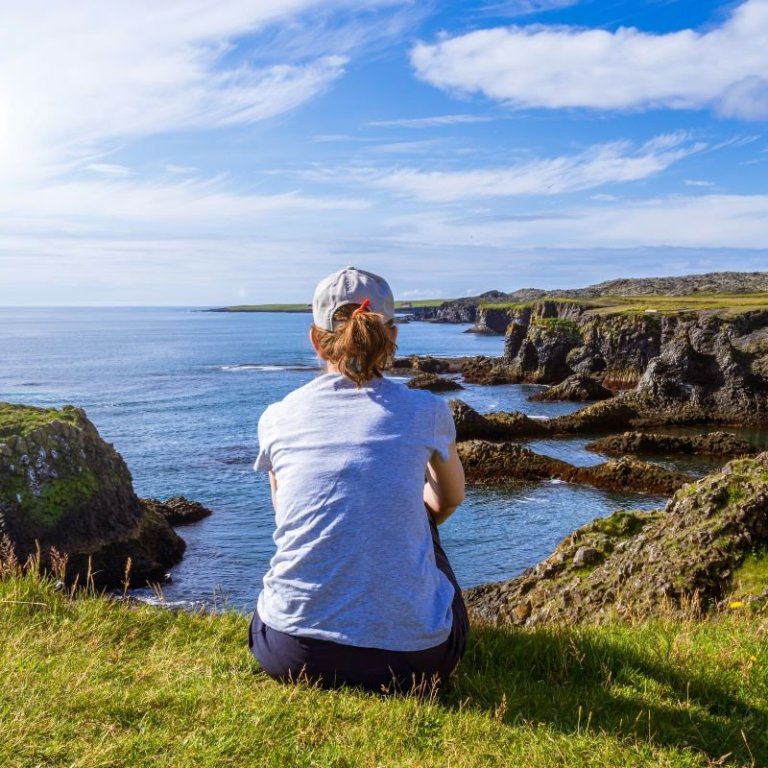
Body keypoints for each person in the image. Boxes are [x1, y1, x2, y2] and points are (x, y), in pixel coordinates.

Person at [249, 266, 468, 693]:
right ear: (393, 336)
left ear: (315, 338)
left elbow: (285, 516)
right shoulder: (427, 411)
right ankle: (400, 618)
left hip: (291, 652)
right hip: (415, 663)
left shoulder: (276, 417)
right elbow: (450, 499)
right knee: (423, 516)